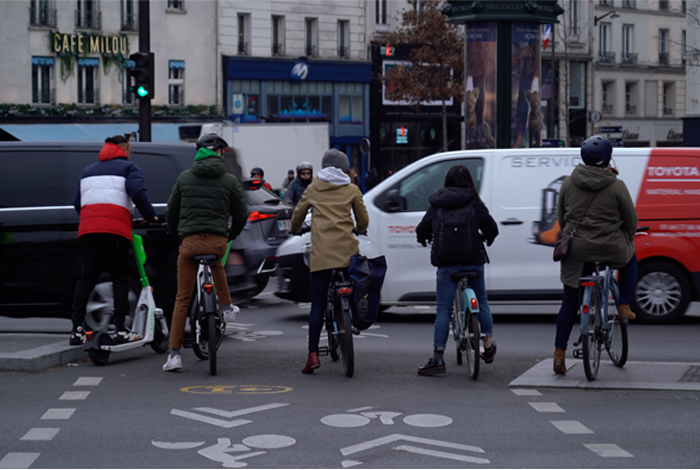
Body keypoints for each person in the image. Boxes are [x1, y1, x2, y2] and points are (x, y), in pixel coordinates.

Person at [162, 134, 248, 372]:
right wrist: (230, 234)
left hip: (190, 243)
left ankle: (174, 355)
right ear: (219, 153)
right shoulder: (229, 180)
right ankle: (227, 307)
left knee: (182, 298)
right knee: (217, 262)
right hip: (217, 242)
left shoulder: (185, 177)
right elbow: (241, 214)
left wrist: (178, 231)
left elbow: (171, 211)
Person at [553, 135, 639, 375]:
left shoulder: (569, 183)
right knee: (631, 258)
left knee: (570, 301)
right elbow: (631, 221)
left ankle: (559, 353)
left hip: (577, 249)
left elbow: (562, 218)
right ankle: (623, 306)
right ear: (607, 158)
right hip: (610, 247)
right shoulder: (616, 185)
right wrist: (627, 236)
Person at [70, 135, 158, 345]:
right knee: (119, 277)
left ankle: (77, 330)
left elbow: (77, 202)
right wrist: (151, 216)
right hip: (115, 229)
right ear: (125, 148)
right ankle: (120, 328)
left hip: (88, 230)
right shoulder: (130, 168)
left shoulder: (87, 171)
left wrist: (91, 219)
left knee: (86, 278)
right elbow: (138, 192)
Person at [290, 149, 369, 374]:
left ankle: (313, 354)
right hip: (347, 253)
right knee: (351, 286)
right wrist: (360, 229)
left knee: (317, 304)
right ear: (344, 168)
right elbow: (362, 218)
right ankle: (350, 319)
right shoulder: (352, 189)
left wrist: (296, 230)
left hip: (322, 254)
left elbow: (298, 214)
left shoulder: (314, 188)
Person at [415, 164, 499, 376]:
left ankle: (437, 359)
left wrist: (423, 238)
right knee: (481, 300)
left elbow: (422, 228)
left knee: (443, 309)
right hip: (473, 261)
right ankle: (488, 346)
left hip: (446, 264)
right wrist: (487, 238)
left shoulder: (438, 202)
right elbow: (491, 227)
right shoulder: (473, 201)